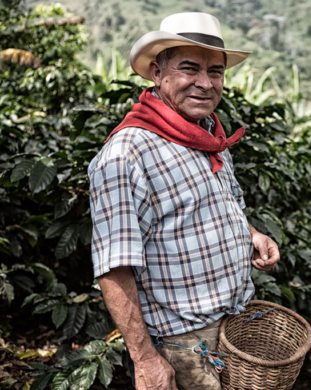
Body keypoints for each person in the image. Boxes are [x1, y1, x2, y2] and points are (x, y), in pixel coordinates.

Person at [88, 12, 280, 390]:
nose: (205, 84)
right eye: (189, 69)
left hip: (233, 324)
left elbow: (227, 205)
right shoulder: (127, 154)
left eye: (216, 72)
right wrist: (145, 360)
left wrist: (252, 235)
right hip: (183, 344)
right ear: (157, 73)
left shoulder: (210, 136)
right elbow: (114, 268)